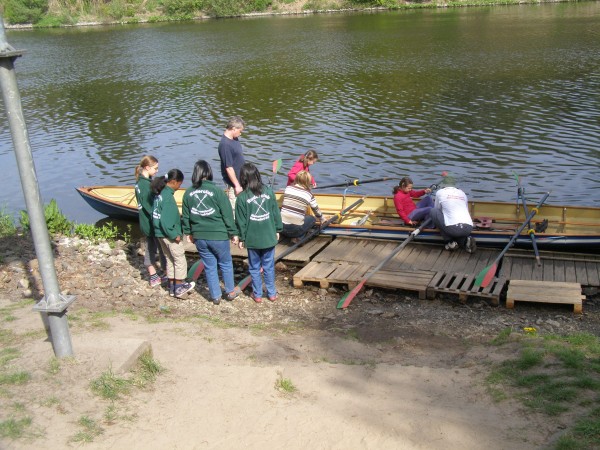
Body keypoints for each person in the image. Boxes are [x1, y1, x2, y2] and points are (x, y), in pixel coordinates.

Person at [182, 160, 240, 305]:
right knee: (226, 263)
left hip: (200, 236)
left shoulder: (188, 193)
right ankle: (230, 291)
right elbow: (227, 215)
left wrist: (188, 232)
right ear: (209, 173)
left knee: (209, 265)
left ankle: (215, 296)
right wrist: (233, 233)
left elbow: (186, 216)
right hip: (218, 235)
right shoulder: (217, 192)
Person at [235, 162, 283, 303]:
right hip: (268, 236)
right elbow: (275, 213)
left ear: (243, 179)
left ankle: (257, 295)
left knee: (254, 268)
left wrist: (242, 238)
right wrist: (278, 229)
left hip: (252, 239)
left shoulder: (242, 198)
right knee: (268, 266)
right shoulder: (268, 191)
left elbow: (241, 221)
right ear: (257, 175)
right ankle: (272, 293)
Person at [151, 169, 195, 298]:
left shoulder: (159, 194)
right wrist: (174, 235)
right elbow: (166, 220)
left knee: (169, 259)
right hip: (168, 234)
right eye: (179, 184)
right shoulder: (168, 198)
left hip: (159, 233)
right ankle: (179, 287)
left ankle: (172, 286)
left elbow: (156, 216)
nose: (179, 187)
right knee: (179, 259)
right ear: (174, 182)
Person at [134, 155, 167, 287]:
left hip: (145, 223)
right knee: (153, 249)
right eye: (155, 168)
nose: (157, 171)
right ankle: (154, 275)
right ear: (147, 168)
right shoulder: (145, 185)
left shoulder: (139, 183)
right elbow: (149, 207)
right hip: (150, 224)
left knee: (157, 247)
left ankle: (164, 272)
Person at [429, 176, 477, 253]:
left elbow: (437, 209)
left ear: (443, 185)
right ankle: (464, 241)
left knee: (433, 212)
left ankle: (450, 242)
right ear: (454, 185)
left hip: (454, 229)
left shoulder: (440, 192)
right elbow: (466, 210)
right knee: (455, 229)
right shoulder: (462, 193)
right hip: (468, 227)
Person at [280, 170, 323, 243]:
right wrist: (323, 219)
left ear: (296, 179)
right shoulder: (309, 194)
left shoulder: (288, 188)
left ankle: (281, 235)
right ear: (308, 182)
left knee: (280, 210)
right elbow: (317, 212)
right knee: (312, 218)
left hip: (281, 228)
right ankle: (299, 238)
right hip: (295, 230)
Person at [218, 116, 246, 210]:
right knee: (234, 208)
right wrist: (237, 185)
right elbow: (228, 167)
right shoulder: (225, 145)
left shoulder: (234, 139)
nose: (240, 133)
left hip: (241, 180)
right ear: (234, 129)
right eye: (240, 131)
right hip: (234, 184)